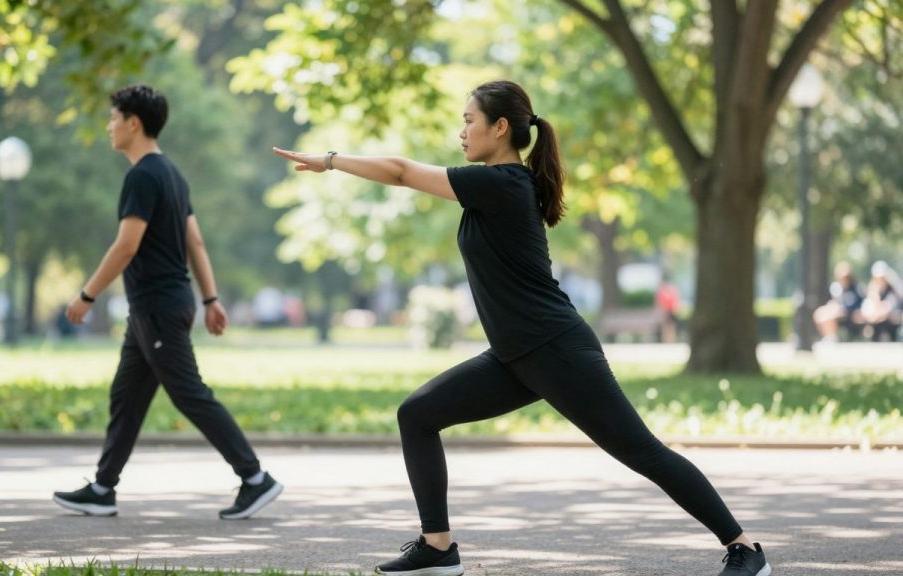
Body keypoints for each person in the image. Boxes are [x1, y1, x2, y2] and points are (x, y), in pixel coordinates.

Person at [274, 80, 770, 576]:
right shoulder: (498, 186)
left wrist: (331, 160)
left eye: (469, 121)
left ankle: (745, 549)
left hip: (555, 348)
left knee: (642, 452)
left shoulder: (502, 183)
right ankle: (438, 548)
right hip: (516, 355)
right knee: (418, 415)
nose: (462, 132)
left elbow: (402, 172)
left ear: (500, 127)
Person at [53, 85, 282, 520]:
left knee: (190, 394)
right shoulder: (173, 174)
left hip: (157, 306)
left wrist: (87, 295)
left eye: (113, 118)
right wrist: (210, 298)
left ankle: (255, 478)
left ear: (133, 123)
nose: (109, 126)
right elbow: (195, 240)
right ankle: (103, 488)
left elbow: (126, 245)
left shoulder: (142, 176)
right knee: (126, 396)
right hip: (155, 308)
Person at [812, 261, 863, 342]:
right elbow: (832, 300)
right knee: (820, 313)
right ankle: (827, 335)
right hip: (837, 310)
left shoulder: (854, 288)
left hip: (849, 313)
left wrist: (840, 308)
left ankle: (832, 337)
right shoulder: (836, 288)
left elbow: (854, 304)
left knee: (831, 315)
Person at [860, 260, 901, 342]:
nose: (879, 280)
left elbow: (889, 308)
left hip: (890, 322)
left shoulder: (892, 290)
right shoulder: (873, 291)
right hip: (875, 322)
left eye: (882, 278)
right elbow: (866, 310)